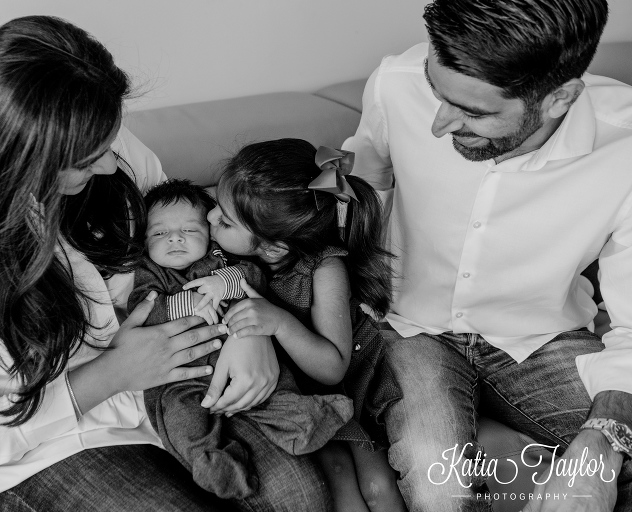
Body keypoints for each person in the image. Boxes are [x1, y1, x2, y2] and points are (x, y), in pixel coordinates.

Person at [0, 16, 332, 512]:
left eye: (108, 146)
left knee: (303, 498)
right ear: (23, 157)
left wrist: (249, 327)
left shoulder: (106, 150)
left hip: (172, 384)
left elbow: (202, 239)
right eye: (89, 160)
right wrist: (113, 373)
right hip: (46, 447)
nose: (112, 166)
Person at [341, 0, 632, 511]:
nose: (437, 125)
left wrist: (599, 447)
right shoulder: (394, 81)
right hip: (412, 332)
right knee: (440, 491)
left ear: (560, 98)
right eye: (435, 93)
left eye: (474, 112)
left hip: (540, 335)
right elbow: (364, 189)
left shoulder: (625, 146)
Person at [208, 138, 407, 512]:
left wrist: (280, 322)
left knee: (378, 486)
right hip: (295, 398)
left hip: (345, 389)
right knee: (337, 477)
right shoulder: (227, 252)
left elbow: (332, 369)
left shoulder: (325, 269)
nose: (207, 219)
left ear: (272, 249)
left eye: (223, 218)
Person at [128, 178, 354, 499]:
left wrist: (223, 283)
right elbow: (140, 310)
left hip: (247, 361)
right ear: (144, 240)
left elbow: (255, 277)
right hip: (186, 378)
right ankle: (212, 461)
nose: (175, 238)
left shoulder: (220, 258)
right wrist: (184, 304)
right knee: (182, 420)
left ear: (208, 234)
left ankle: (306, 418)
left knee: (274, 394)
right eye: (160, 232)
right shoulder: (147, 272)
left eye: (189, 230)